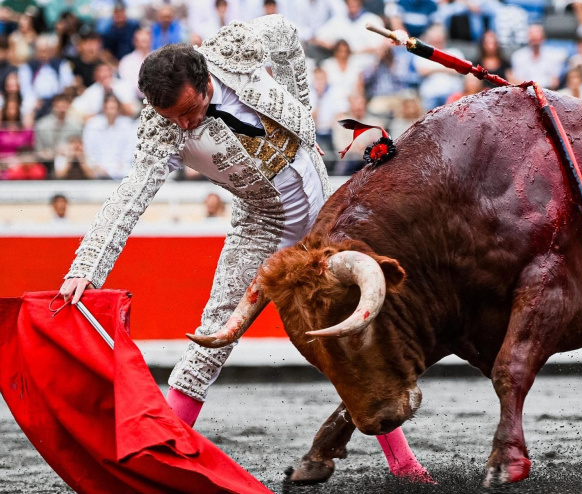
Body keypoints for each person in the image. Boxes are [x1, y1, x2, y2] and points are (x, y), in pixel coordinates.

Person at [57, 16, 429, 481]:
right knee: (214, 333)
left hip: (328, 209)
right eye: (176, 119)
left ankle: (406, 465)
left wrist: (302, 104)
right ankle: (159, 458)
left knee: (356, 328)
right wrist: (86, 269)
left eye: (191, 111)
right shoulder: (161, 129)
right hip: (263, 226)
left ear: (206, 78)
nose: (187, 124)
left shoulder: (232, 47)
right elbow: (129, 198)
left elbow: (288, 34)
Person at [81, 93, 136, 178]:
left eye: (113, 108)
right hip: (97, 171)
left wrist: (120, 168)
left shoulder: (127, 125)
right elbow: (89, 150)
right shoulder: (92, 125)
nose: (111, 112)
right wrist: (98, 168)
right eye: (108, 108)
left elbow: (129, 151)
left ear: (118, 109)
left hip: (122, 172)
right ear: (104, 109)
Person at [34, 92, 82, 168]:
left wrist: (70, 152)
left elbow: (80, 150)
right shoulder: (42, 125)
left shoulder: (77, 126)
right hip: (47, 165)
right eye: (59, 106)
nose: (62, 109)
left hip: (70, 165)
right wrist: (55, 153)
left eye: (64, 105)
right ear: (54, 105)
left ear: (69, 105)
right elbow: (38, 152)